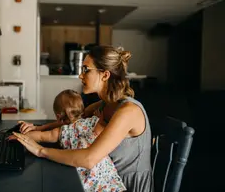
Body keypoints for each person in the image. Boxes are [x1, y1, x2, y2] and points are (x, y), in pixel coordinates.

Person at [13, 45, 153, 192]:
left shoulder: (128, 111)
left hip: (125, 185)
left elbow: (89, 159)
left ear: (105, 75)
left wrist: (40, 151)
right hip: (101, 181)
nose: (81, 75)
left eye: (86, 70)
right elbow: (74, 122)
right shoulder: (104, 104)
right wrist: (38, 128)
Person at [9, 89, 126, 192]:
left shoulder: (62, 131)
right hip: (109, 181)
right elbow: (101, 131)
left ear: (59, 116)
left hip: (88, 183)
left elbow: (40, 136)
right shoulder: (93, 121)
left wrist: (19, 135)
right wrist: (99, 122)